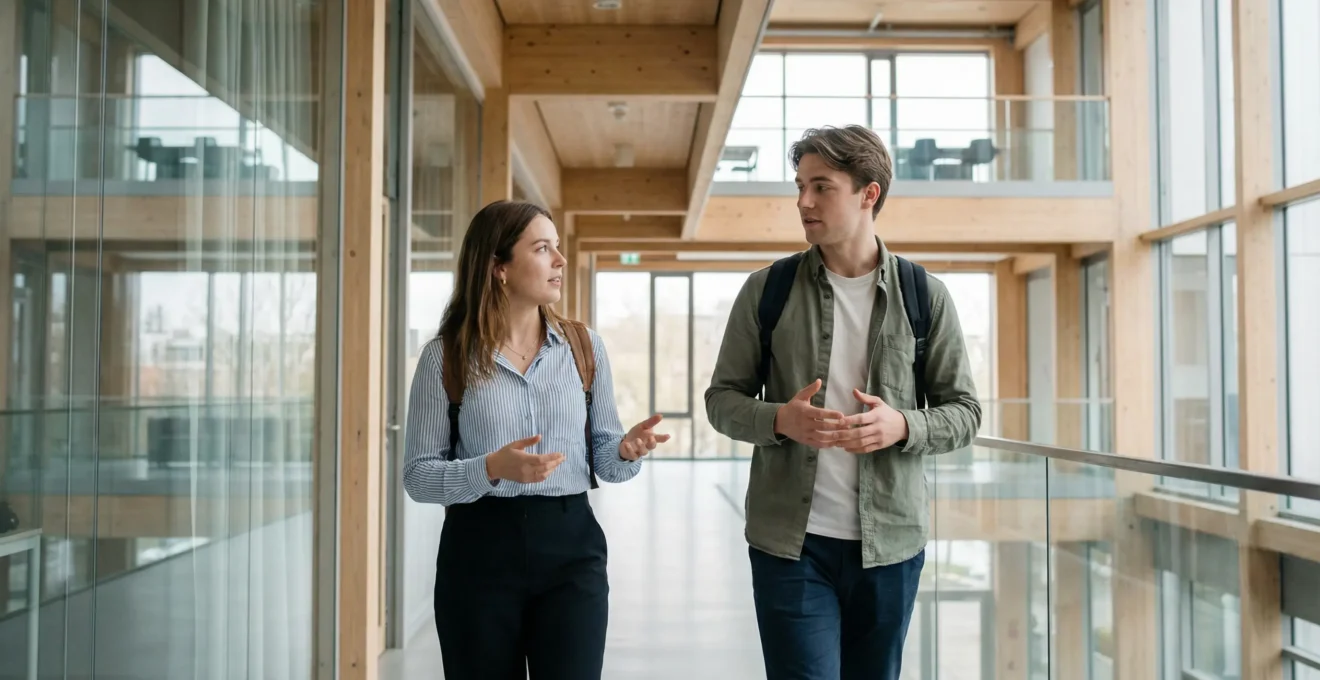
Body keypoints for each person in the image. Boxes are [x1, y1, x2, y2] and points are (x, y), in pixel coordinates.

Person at [704, 125, 981, 680]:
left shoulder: (925, 296)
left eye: (821, 187)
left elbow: (965, 412)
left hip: (890, 549)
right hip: (790, 546)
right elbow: (721, 400)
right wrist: (780, 418)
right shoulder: (767, 290)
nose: (803, 202)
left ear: (868, 193)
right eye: (800, 186)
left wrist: (902, 426)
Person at [403, 200, 670, 680]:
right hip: (478, 552)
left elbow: (607, 462)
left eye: (558, 248)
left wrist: (626, 450)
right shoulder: (445, 358)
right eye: (543, 249)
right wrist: (489, 468)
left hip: (572, 548)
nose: (560, 261)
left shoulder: (584, 347)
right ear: (498, 268)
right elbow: (419, 477)